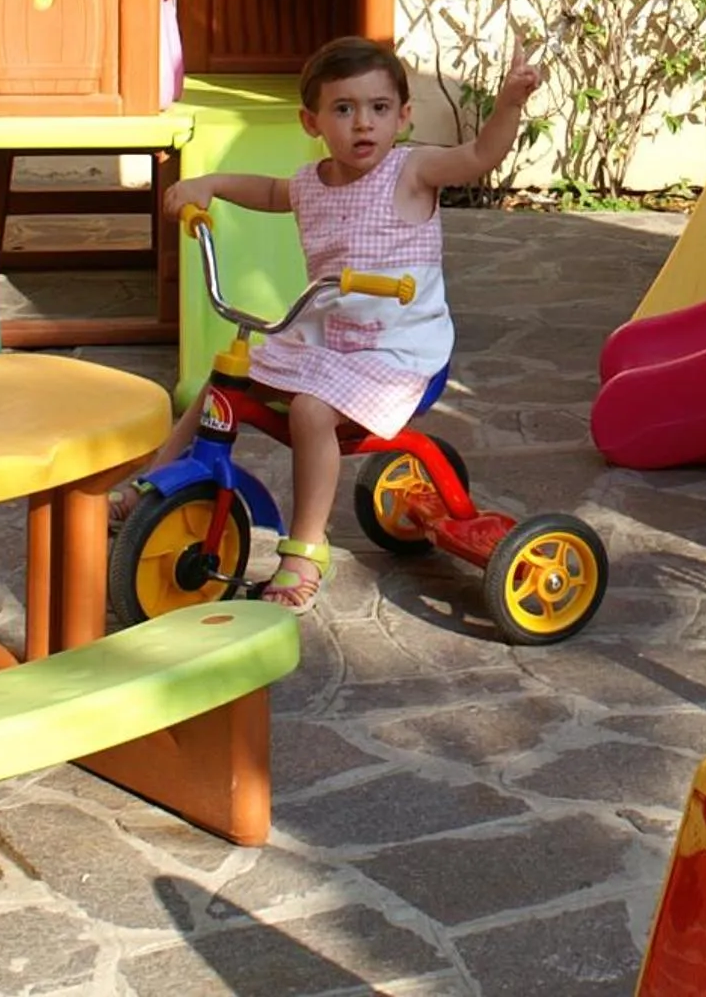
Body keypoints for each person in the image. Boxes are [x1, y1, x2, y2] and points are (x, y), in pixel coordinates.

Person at [125, 36, 542, 612]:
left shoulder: (413, 171)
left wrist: (510, 105)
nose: (362, 124)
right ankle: (154, 481)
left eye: (377, 108)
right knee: (226, 379)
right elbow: (271, 191)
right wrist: (212, 185)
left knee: (309, 410)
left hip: (398, 349)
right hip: (326, 335)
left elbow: (479, 157)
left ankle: (303, 550)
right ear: (311, 121)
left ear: (403, 115)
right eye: (343, 110)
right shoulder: (311, 182)